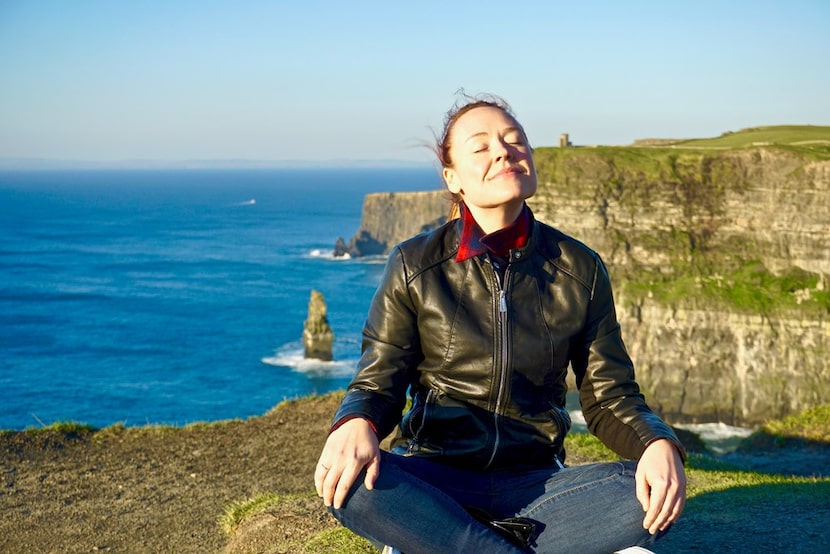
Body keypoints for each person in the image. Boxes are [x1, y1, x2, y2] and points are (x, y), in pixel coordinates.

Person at [315, 94, 686, 553]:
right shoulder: (415, 264)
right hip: (436, 477)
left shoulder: (581, 270)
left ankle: (456, 541)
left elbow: (611, 398)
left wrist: (657, 442)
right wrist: (357, 422)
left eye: (515, 141)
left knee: (645, 490)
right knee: (349, 485)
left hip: (539, 484)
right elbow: (378, 382)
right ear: (453, 178)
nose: (503, 151)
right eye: (481, 146)